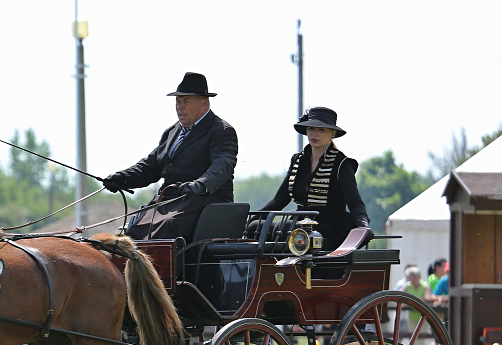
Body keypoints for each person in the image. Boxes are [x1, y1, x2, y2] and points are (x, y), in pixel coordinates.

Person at [103, 72, 238, 241]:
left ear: (204, 104)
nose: (180, 107)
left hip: (205, 202)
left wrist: (200, 185)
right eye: (178, 102)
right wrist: (122, 177)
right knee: (135, 228)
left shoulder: (221, 130)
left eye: (186, 102)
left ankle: (165, 267)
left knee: (168, 224)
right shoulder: (172, 132)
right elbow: (150, 166)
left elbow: (222, 166)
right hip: (169, 202)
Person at [260, 107, 370, 252]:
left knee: (289, 229)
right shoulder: (298, 160)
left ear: (333, 133)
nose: (315, 133)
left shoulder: (342, 164)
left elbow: (355, 202)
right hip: (300, 222)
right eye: (311, 128)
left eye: (322, 129)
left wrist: (363, 225)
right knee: (256, 227)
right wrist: (250, 218)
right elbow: (278, 201)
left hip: (330, 226)